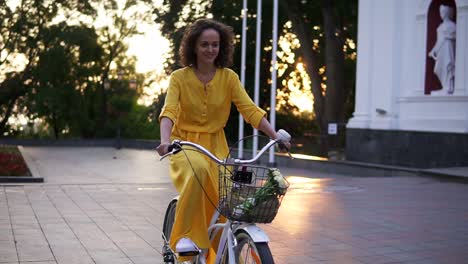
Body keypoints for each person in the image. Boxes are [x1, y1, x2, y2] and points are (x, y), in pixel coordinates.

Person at [156, 18, 290, 263]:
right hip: (184, 145)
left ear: (222, 47)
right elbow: (169, 111)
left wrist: (275, 136)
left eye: (215, 45)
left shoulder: (228, 78)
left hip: (217, 147)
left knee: (226, 197)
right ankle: (186, 236)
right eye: (204, 44)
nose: (210, 49)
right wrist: (165, 141)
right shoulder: (179, 78)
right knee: (197, 169)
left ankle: (218, 251)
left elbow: (250, 110)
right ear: (193, 47)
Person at [428, 4, 456, 95]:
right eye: (440, 12)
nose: (441, 14)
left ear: (447, 13)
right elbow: (438, 41)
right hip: (441, 50)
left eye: (443, 12)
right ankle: (444, 86)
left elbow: (456, 37)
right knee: (438, 68)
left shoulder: (452, 25)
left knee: (448, 66)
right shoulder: (440, 27)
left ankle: (449, 87)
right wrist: (433, 51)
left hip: (448, 48)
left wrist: (447, 37)